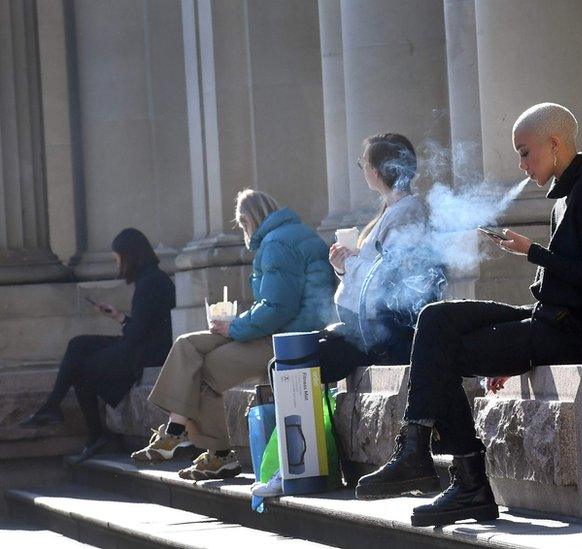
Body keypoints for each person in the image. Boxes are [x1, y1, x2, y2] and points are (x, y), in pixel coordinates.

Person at [354, 102, 582, 528]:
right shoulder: (567, 196)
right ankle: (415, 446)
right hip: (548, 319)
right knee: (436, 318)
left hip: (577, 332)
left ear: (555, 145)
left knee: (445, 350)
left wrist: (531, 252)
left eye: (525, 152)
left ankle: (465, 482)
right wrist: (508, 342)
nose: (521, 164)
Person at [251, 133, 436, 498]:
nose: (361, 169)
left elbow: (392, 277)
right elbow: (369, 273)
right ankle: (301, 464)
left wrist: (353, 264)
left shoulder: (408, 212)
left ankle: (302, 466)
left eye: (363, 163)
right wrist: (344, 267)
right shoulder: (389, 209)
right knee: (285, 362)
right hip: (365, 327)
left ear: (382, 169)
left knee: (296, 365)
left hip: (387, 335)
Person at [131, 189, 335, 481]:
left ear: (247, 219)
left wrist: (236, 327)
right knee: (187, 345)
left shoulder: (277, 244)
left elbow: (279, 308)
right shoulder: (286, 235)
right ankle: (176, 432)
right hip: (278, 331)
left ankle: (213, 453)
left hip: (289, 339)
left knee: (204, 368)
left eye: (241, 225)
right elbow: (278, 302)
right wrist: (237, 323)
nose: (242, 231)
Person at [19, 228, 176, 463]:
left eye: (118, 259)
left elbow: (138, 334)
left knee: (81, 368)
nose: (117, 265)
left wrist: (124, 322)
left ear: (129, 256)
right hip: (143, 345)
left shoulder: (150, 282)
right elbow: (144, 328)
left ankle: (94, 432)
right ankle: (53, 407)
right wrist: (118, 317)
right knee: (78, 344)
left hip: (146, 353)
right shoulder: (152, 278)